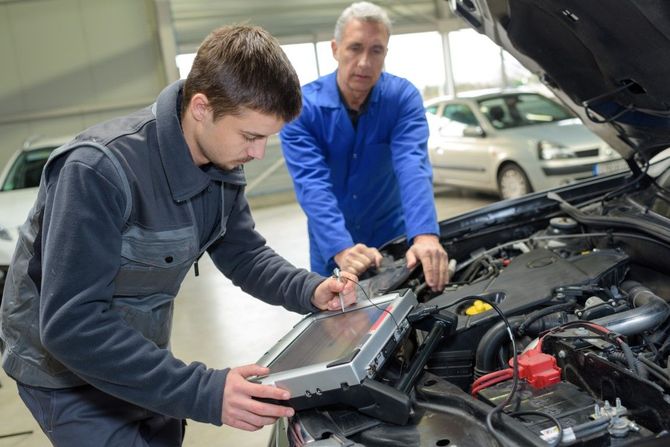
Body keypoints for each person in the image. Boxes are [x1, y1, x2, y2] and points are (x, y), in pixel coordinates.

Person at [0, 25, 357, 446]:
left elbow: (244, 254)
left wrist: (310, 290)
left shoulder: (222, 165)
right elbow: (71, 325)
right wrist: (204, 391)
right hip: (65, 376)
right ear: (202, 108)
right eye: (251, 136)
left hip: (138, 354)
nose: (259, 153)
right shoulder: (97, 171)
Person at [280, 1, 449, 291]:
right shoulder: (302, 108)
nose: (364, 62)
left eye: (376, 50)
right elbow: (311, 185)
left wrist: (424, 235)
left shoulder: (402, 99)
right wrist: (341, 248)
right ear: (335, 49)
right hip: (331, 244)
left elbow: (413, 165)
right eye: (355, 48)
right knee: (339, 325)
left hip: (391, 239)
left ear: (386, 53)